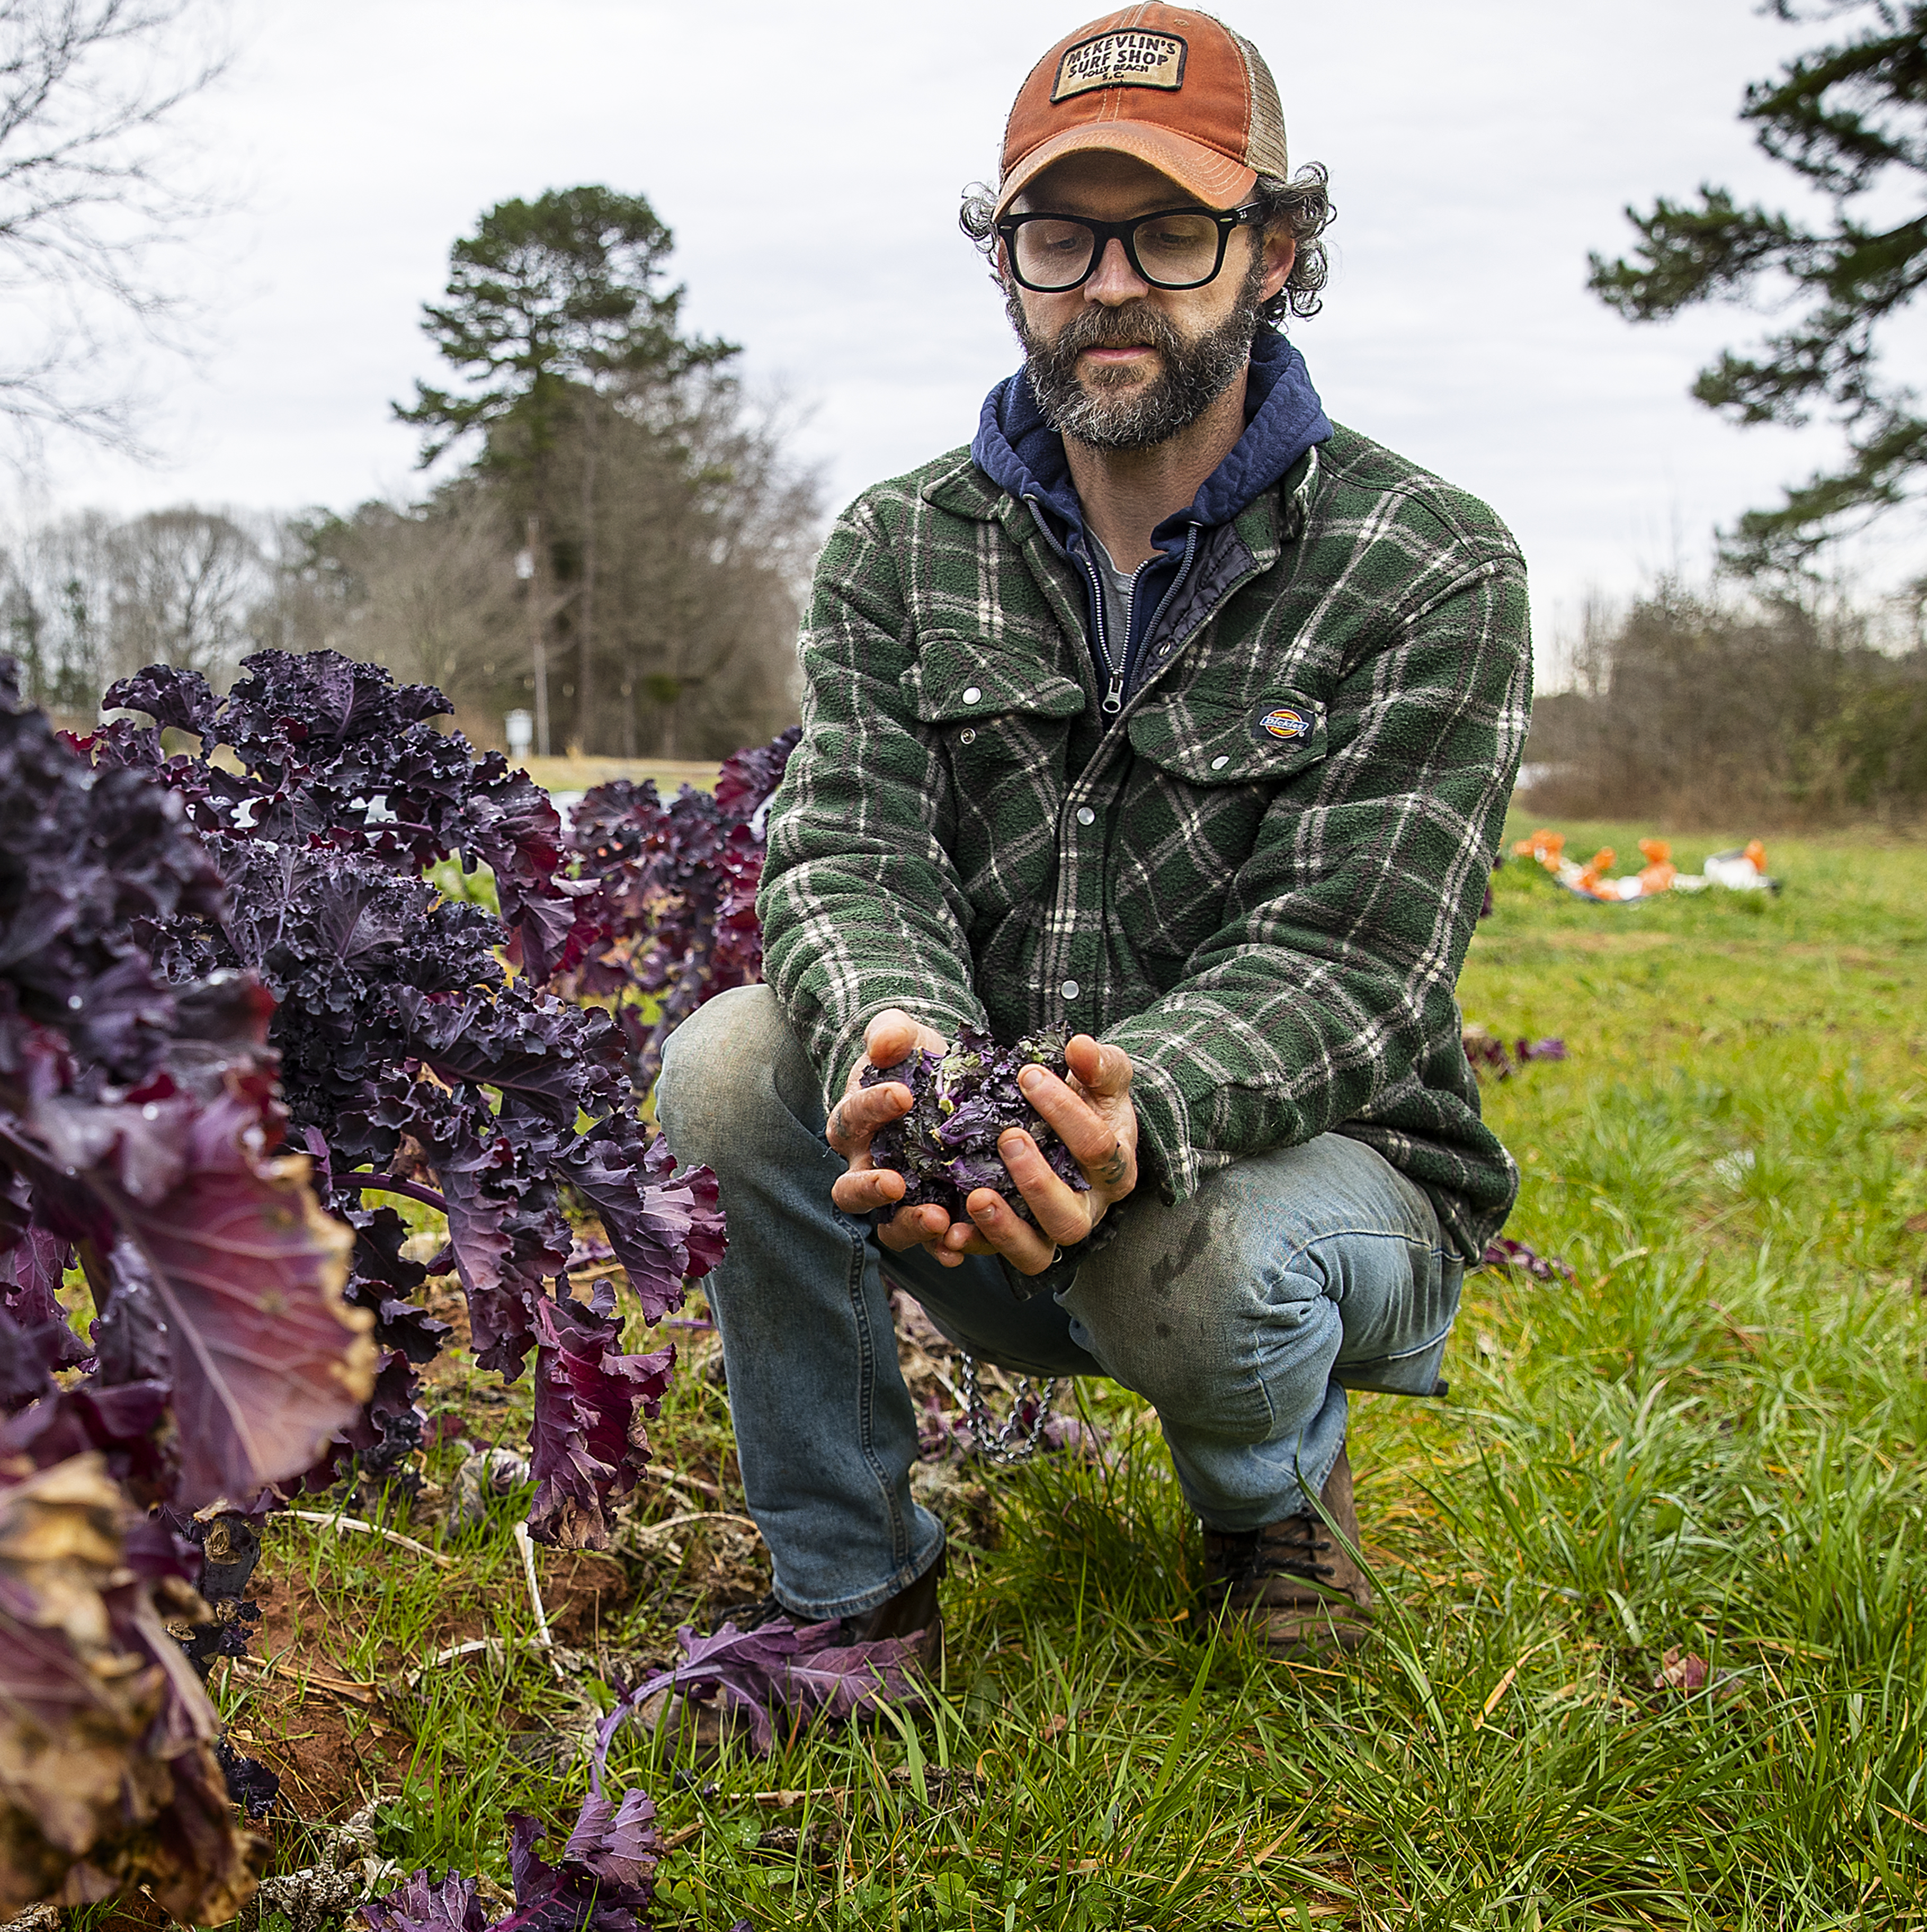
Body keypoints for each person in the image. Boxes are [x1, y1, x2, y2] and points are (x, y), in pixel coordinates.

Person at [656, 3, 1530, 1661]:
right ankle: (849, 1594)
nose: (1111, 282)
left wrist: (1132, 1118)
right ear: (1010, 262)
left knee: (1180, 1262)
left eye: (1172, 230)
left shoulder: (1430, 565)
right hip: (986, 1171)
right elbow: (851, 856)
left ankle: (1272, 1501)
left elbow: (1357, 960)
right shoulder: (902, 546)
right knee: (723, 1065)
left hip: (1306, 1185)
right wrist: (904, 1061)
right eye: (1062, 236)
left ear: (1272, 250)